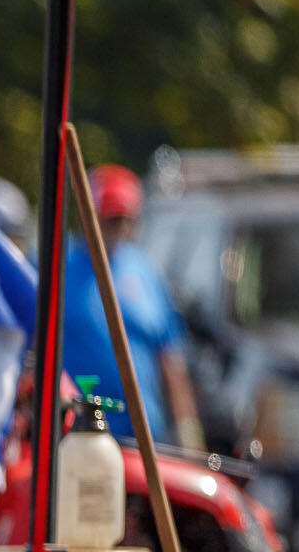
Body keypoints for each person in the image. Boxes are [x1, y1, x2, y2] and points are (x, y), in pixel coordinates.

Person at [59, 164, 201, 448]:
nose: (119, 228)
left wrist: (189, 432)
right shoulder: (57, 268)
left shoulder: (145, 271)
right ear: (89, 214)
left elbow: (169, 359)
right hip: (77, 434)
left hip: (144, 437)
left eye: (126, 219)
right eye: (112, 218)